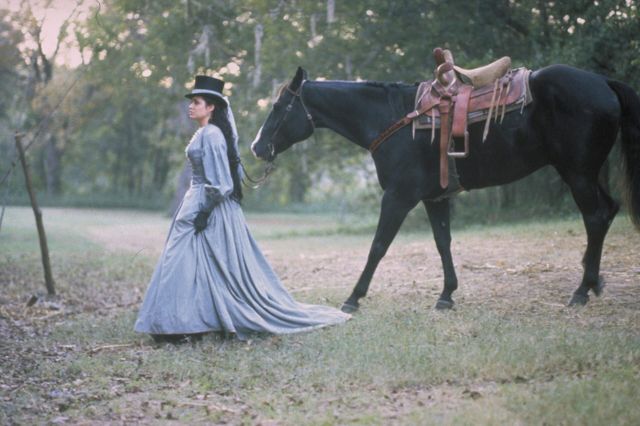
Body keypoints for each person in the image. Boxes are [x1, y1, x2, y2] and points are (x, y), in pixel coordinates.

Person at [134, 75, 350, 342]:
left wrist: (204, 211)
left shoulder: (212, 135)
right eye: (192, 101)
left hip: (207, 204)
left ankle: (182, 324)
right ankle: (182, 322)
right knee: (188, 263)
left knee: (182, 261)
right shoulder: (206, 132)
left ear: (211, 107)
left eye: (197, 102)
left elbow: (222, 183)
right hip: (196, 201)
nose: (191, 106)